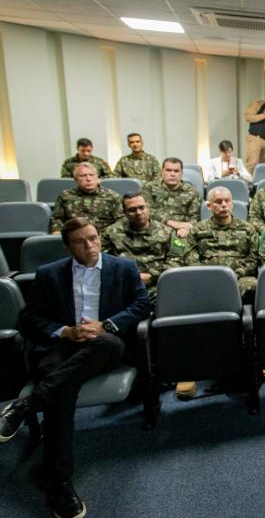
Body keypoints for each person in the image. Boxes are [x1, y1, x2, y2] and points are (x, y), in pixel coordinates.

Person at [1, 217, 150, 518]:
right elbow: (31, 318)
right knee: (60, 392)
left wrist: (106, 325)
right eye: (81, 242)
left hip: (105, 344)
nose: (90, 245)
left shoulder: (123, 267)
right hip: (63, 347)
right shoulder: (49, 274)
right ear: (68, 247)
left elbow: (141, 305)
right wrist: (65, 331)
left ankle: (25, 406)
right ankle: (60, 483)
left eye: (93, 238)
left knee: (107, 344)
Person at [182, 187, 260, 399]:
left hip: (239, 279)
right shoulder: (197, 230)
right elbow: (189, 257)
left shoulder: (247, 228)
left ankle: (257, 356)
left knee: (255, 287)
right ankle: (188, 369)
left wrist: (234, 274)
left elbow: (254, 257)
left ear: (232, 203)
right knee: (185, 297)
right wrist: (211, 277)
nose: (223, 205)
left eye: (227, 201)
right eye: (218, 202)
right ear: (209, 206)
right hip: (206, 281)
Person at [102, 193, 185, 300]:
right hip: (123, 285)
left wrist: (152, 276)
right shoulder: (111, 232)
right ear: (125, 213)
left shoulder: (168, 232)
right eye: (132, 210)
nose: (138, 213)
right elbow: (100, 259)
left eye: (141, 207)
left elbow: (176, 260)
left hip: (158, 285)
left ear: (148, 208)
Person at [51, 163, 122, 234]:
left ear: (97, 178)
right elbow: (57, 218)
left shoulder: (112, 196)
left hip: (103, 236)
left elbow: (121, 220)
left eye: (91, 175)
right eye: (83, 176)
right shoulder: (65, 196)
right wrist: (57, 231)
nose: (88, 179)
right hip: (74, 236)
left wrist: (109, 233)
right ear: (76, 180)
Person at [140, 157, 200, 239]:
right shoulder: (149, 188)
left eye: (176, 171)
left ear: (181, 173)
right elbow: (146, 211)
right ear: (162, 172)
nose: (172, 174)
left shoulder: (192, 191)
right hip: (154, 231)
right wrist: (172, 223)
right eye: (168, 170)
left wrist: (185, 229)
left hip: (181, 232)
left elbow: (194, 217)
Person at [244, 98, 265, 173]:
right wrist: (263, 115)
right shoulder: (257, 104)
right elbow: (247, 117)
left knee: (264, 167)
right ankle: (247, 180)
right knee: (252, 165)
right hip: (256, 138)